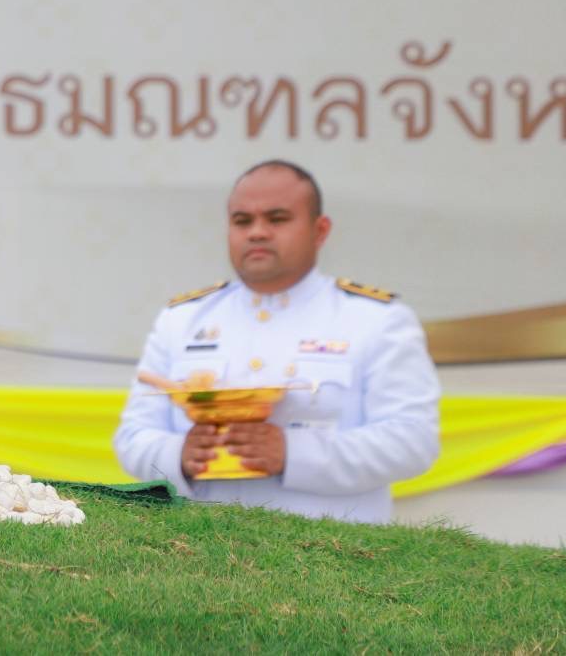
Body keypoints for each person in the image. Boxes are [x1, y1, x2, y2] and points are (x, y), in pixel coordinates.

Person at [114, 160, 440, 523]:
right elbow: (132, 437)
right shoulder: (182, 320)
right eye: (242, 221)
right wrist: (179, 455)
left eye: (277, 219)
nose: (257, 232)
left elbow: (414, 441)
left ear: (320, 231)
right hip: (199, 546)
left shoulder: (375, 319)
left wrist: (292, 453)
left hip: (332, 549)